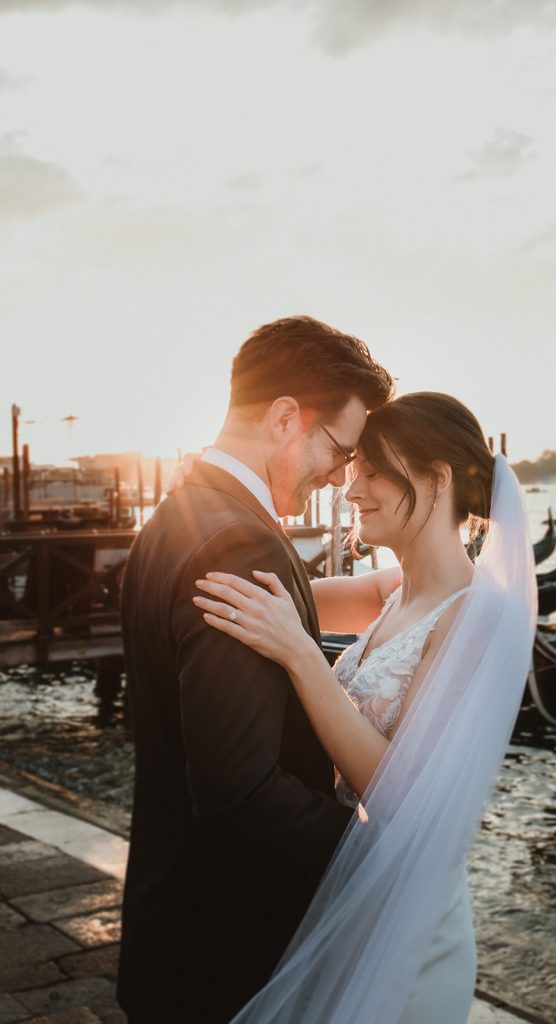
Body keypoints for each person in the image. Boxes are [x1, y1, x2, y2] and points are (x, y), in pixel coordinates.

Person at [192, 391, 538, 1023]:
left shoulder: (477, 615)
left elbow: (397, 788)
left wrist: (301, 656)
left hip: (413, 926)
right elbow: (272, 589)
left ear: (436, 479)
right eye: (353, 470)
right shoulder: (393, 590)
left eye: (374, 471)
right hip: (353, 888)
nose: (351, 490)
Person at [116, 316, 395, 1024]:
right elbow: (238, 788)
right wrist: (377, 850)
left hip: (173, 920)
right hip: (225, 947)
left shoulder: (181, 515)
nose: (340, 476)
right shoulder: (240, 544)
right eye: (340, 450)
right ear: (282, 420)